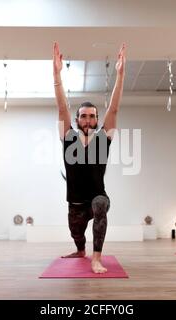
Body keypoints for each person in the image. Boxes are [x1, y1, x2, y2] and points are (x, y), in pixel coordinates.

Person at [53, 42, 126, 273]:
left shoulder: (103, 139)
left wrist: (121, 75)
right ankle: (81, 249)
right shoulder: (68, 138)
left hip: (97, 196)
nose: (87, 120)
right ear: (77, 120)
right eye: (83, 116)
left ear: (97, 120)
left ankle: (97, 258)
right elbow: (61, 107)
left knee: (100, 204)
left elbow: (113, 109)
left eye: (92, 116)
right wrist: (57, 75)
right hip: (75, 202)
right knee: (76, 233)